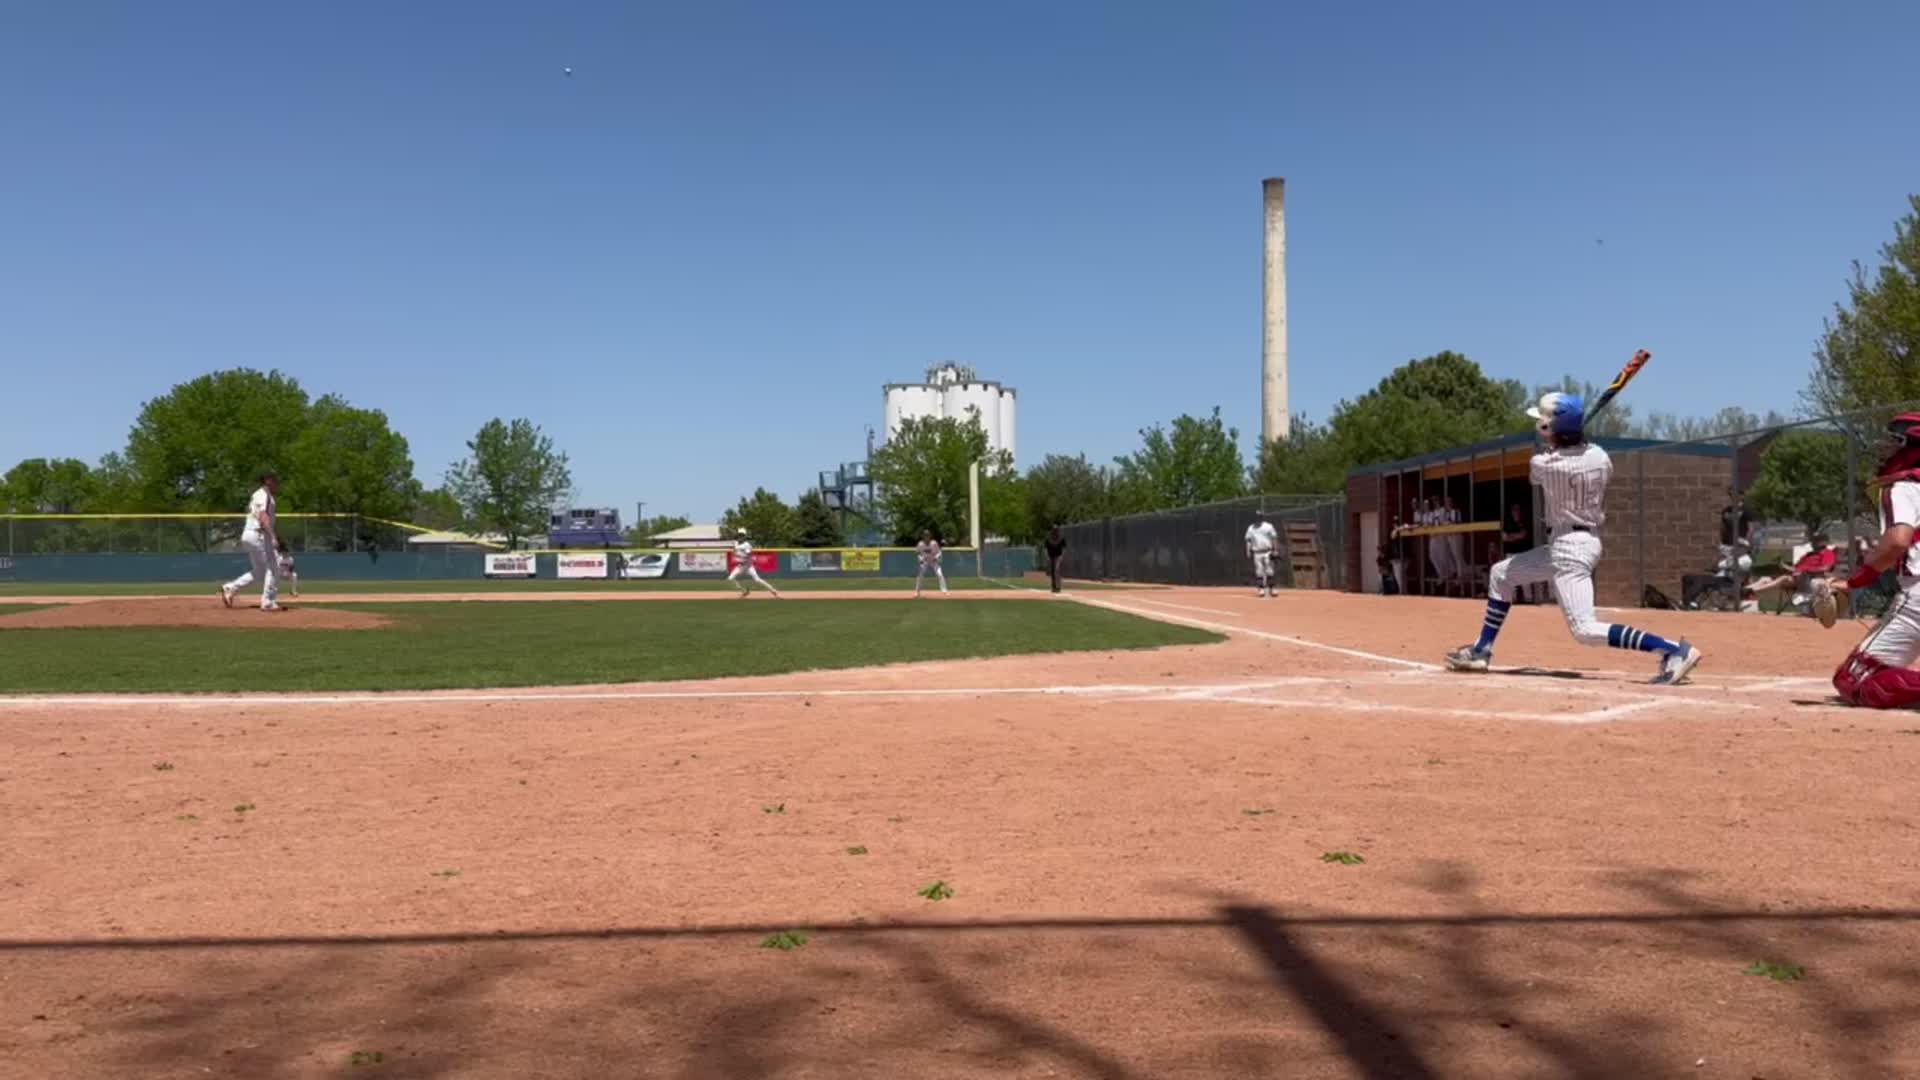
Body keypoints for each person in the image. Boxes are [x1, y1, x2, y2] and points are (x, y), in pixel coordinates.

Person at [1445, 392, 1702, 684]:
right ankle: (1482, 650)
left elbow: (1541, 470)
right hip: (1574, 543)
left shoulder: (1544, 465)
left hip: (1570, 550)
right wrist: (1565, 441)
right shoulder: (1600, 458)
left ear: (1551, 430)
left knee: (1585, 630)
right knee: (1501, 574)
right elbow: (1582, 454)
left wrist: (1556, 446)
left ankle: (1673, 651)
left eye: (1542, 424)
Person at [1828, 413, 1920, 706]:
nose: (1885, 447)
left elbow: (1897, 541)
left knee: (1853, 679)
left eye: (1895, 441)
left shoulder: (1903, 488)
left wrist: (1853, 582)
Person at [220, 471, 284, 612]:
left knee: (261, 571)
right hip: (258, 535)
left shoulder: (261, 495)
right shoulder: (264, 495)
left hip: (251, 535)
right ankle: (267, 602)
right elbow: (263, 517)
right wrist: (273, 537)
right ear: (267, 480)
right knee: (274, 566)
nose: (277, 483)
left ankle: (231, 587)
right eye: (275, 480)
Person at [728, 529, 781, 598]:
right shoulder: (735, 543)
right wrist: (735, 549)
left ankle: (774, 591)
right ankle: (744, 591)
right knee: (730, 578)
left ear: (744, 536)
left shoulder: (747, 545)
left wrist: (738, 553)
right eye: (739, 535)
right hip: (740, 566)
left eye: (742, 535)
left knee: (757, 580)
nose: (740, 536)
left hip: (748, 566)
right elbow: (734, 549)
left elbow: (748, 554)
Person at [1500, 502, 1534, 603]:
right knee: (1511, 577)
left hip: (1522, 553)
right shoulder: (1507, 523)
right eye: (1514, 510)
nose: (1516, 512)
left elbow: (1522, 535)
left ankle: (1528, 599)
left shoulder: (1524, 522)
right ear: (1511, 512)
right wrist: (1515, 536)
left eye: (1518, 510)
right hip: (1510, 553)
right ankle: (1513, 599)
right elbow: (1504, 537)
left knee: (1524, 576)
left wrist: (1511, 536)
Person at [1244, 511, 1279, 597]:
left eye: (1259, 516)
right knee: (1259, 571)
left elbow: (1274, 538)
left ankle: (1272, 588)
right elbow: (1248, 540)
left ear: (1262, 517)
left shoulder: (1268, 526)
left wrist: (1275, 550)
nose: (1258, 518)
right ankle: (1261, 589)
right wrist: (1248, 550)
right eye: (1256, 517)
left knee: (1269, 570)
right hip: (1257, 552)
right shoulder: (1251, 528)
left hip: (1267, 551)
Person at [914, 530, 948, 597]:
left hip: (933, 561)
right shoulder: (920, 544)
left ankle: (944, 590)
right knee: (920, 575)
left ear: (930, 536)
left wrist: (936, 557)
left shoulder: (934, 543)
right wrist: (920, 559)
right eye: (925, 535)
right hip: (925, 561)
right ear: (923, 536)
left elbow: (939, 552)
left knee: (940, 574)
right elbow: (917, 552)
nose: (927, 536)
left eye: (928, 535)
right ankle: (917, 592)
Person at [1043, 525, 1067, 594]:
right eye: (1054, 530)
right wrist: (1047, 556)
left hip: (1058, 556)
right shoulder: (1048, 539)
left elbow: (1064, 548)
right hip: (1051, 556)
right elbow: (1045, 548)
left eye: (1056, 530)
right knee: (1052, 572)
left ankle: (1058, 587)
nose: (1055, 531)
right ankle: (1053, 587)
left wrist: (1062, 555)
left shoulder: (1061, 538)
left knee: (1057, 569)